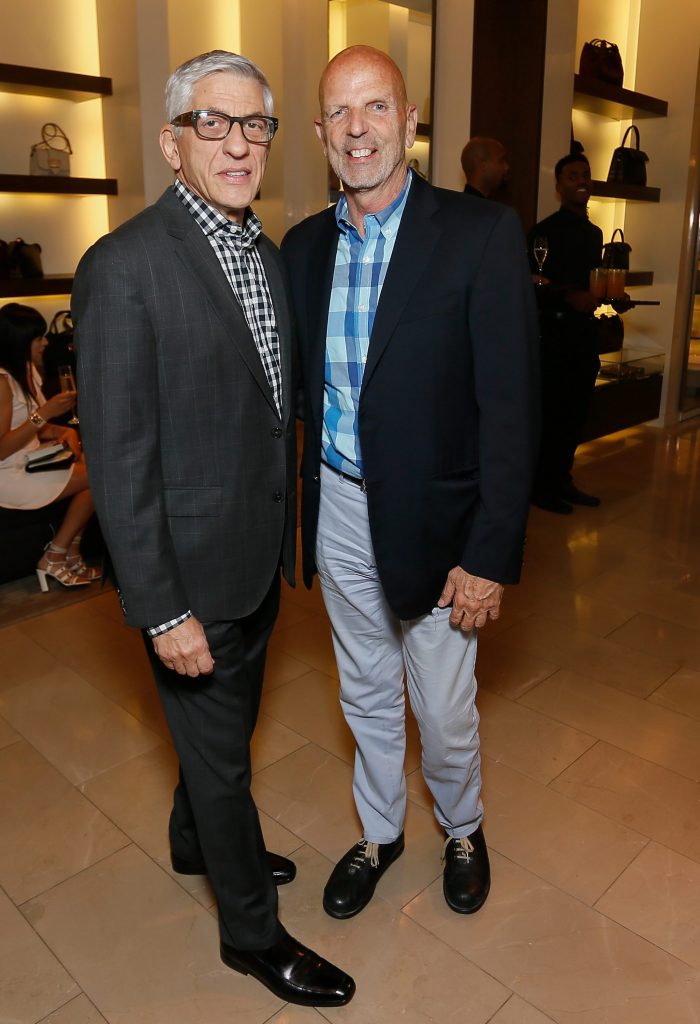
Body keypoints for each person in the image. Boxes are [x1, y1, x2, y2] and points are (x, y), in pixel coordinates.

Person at [73, 50, 354, 1008]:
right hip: (185, 583)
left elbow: (271, 413)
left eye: (255, 126)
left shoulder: (265, 256)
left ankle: (195, 836)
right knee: (224, 761)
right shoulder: (122, 267)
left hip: (255, 562)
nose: (238, 144)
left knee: (221, 744)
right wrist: (159, 610)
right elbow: (117, 461)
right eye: (213, 124)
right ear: (172, 140)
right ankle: (251, 936)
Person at [281, 46, 537, 921]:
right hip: (341, 506)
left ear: (411, 122)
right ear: (319, 134)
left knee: (444, 705)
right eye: (340, 114)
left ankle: (462, 827)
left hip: (441, 520)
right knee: (362, 686)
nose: (358, 129)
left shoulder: (479, 234)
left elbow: (510, 408)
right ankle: (381, 832)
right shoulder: (305, 246)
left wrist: (489, 553)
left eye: (376, 107)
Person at [0, 302, 99, 589]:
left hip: (30, 461)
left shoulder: (27, 372)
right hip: (9, 474)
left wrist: (62, 430)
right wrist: (46, 413)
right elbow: (3, 448)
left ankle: (67, 553)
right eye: (38, 337)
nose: (45, 342)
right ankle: (56, 554)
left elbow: (37, 428)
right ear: (19, 342)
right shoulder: (3, 383)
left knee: (96, 473)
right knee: (98, 476)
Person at [527, 152, 603, 514]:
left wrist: (609, 297)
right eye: (573, 176)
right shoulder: (544, 232)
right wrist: (570, 295)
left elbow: (594, 284)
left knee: (576, 412)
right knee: (552, 414)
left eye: (585, 174)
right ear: (559, 186)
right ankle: (541, 486)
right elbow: (531, 286)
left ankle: (562, 478)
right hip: (553, 337)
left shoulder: (595, 233)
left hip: (584, 336)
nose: (581, 180)